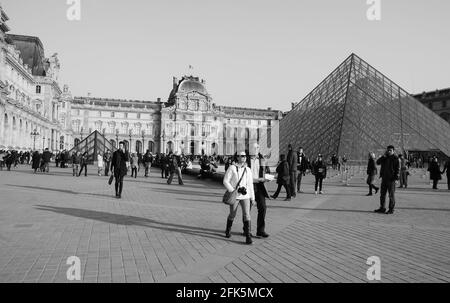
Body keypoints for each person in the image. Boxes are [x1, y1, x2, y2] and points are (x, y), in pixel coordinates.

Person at [223, 151, 255, 245]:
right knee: (232, 214)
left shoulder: (248, 169)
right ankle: (228, 230)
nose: (243, 158)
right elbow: (225, 181)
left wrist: (252, 198)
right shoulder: (232, 167)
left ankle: (248, 236)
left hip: (245, 195)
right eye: (241, 156)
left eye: (245, 156)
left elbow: (250, 185)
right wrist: (233, 190)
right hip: (235, 195)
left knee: (247, 214)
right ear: (237, 157)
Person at [250, 144, 270, 238]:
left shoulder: (262, 159)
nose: (256, 149)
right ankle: (247, 230)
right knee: (247, 209)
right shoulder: (245, 159)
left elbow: (265, 172)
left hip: (260, 186)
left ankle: (260, 230)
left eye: (257, 147)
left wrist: (268, 178)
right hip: (249, 186)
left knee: (262, 207)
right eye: (254, 148)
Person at [375, 145, 399, 215]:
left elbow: (398, 169)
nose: (389, 151)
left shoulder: (396, 158)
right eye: (388, 150)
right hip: (384, 178)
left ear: (393, 151)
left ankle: (391, 209)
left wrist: (396, 179)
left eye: (390, 150)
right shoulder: (385, 158)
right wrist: (383, 156)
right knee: (382, 194)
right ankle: (382, 208)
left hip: (391, 180)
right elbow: (377, 162)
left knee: (391, 195)